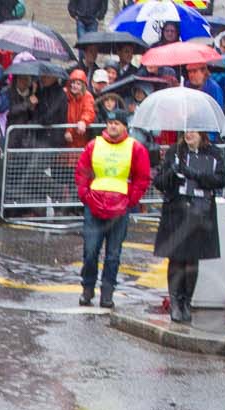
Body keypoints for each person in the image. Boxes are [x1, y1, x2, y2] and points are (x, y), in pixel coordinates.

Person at [72, 109, 152, 310]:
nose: (113, 126)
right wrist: (86, 195)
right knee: (90, 252)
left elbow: (142, 178)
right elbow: (82, 171)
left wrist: (130, 200)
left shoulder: (135, 148)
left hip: (119, 210)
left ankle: (107, 293)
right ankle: (87, 288)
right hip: (95, 206)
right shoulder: (94, 145)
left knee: (113, 255)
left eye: (117, 123)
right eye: (110, 122)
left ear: (124, 126)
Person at [156, 129, 225, 324]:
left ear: (201, 134)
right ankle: (176, 303)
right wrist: (172, 173)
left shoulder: (213, 153)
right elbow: (159, 182)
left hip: (201, 212)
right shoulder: (174, 151)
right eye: (187, 131)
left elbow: (221, 180)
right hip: (176, 211)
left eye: (193, 131)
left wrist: (196, 175)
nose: (189, 135)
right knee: (176, 258)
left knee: (193, 260)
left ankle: (187, 301)